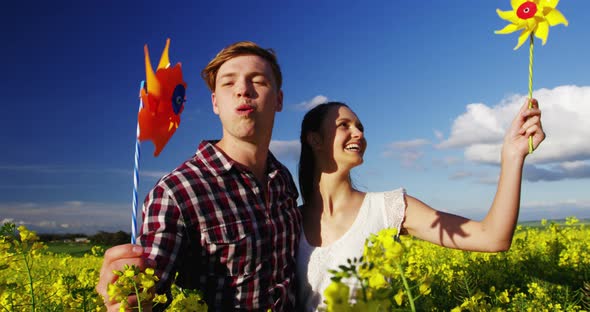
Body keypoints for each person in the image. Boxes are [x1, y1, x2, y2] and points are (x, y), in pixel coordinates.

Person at [96, 41, 302, 311]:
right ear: (215, 103)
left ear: (279, 100)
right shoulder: (175, 191)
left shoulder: (283, 179)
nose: (243, 90)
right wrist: (130, 294)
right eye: (228, 83)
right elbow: (150, 293)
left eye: (259, 81)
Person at [295, 101, 545, 311]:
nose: (359, 134)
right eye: (344, 125)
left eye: (360, 127)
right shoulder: (287, 221)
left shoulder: (389, 208)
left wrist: (512, 155)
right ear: (315, 140)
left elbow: (492, 237)